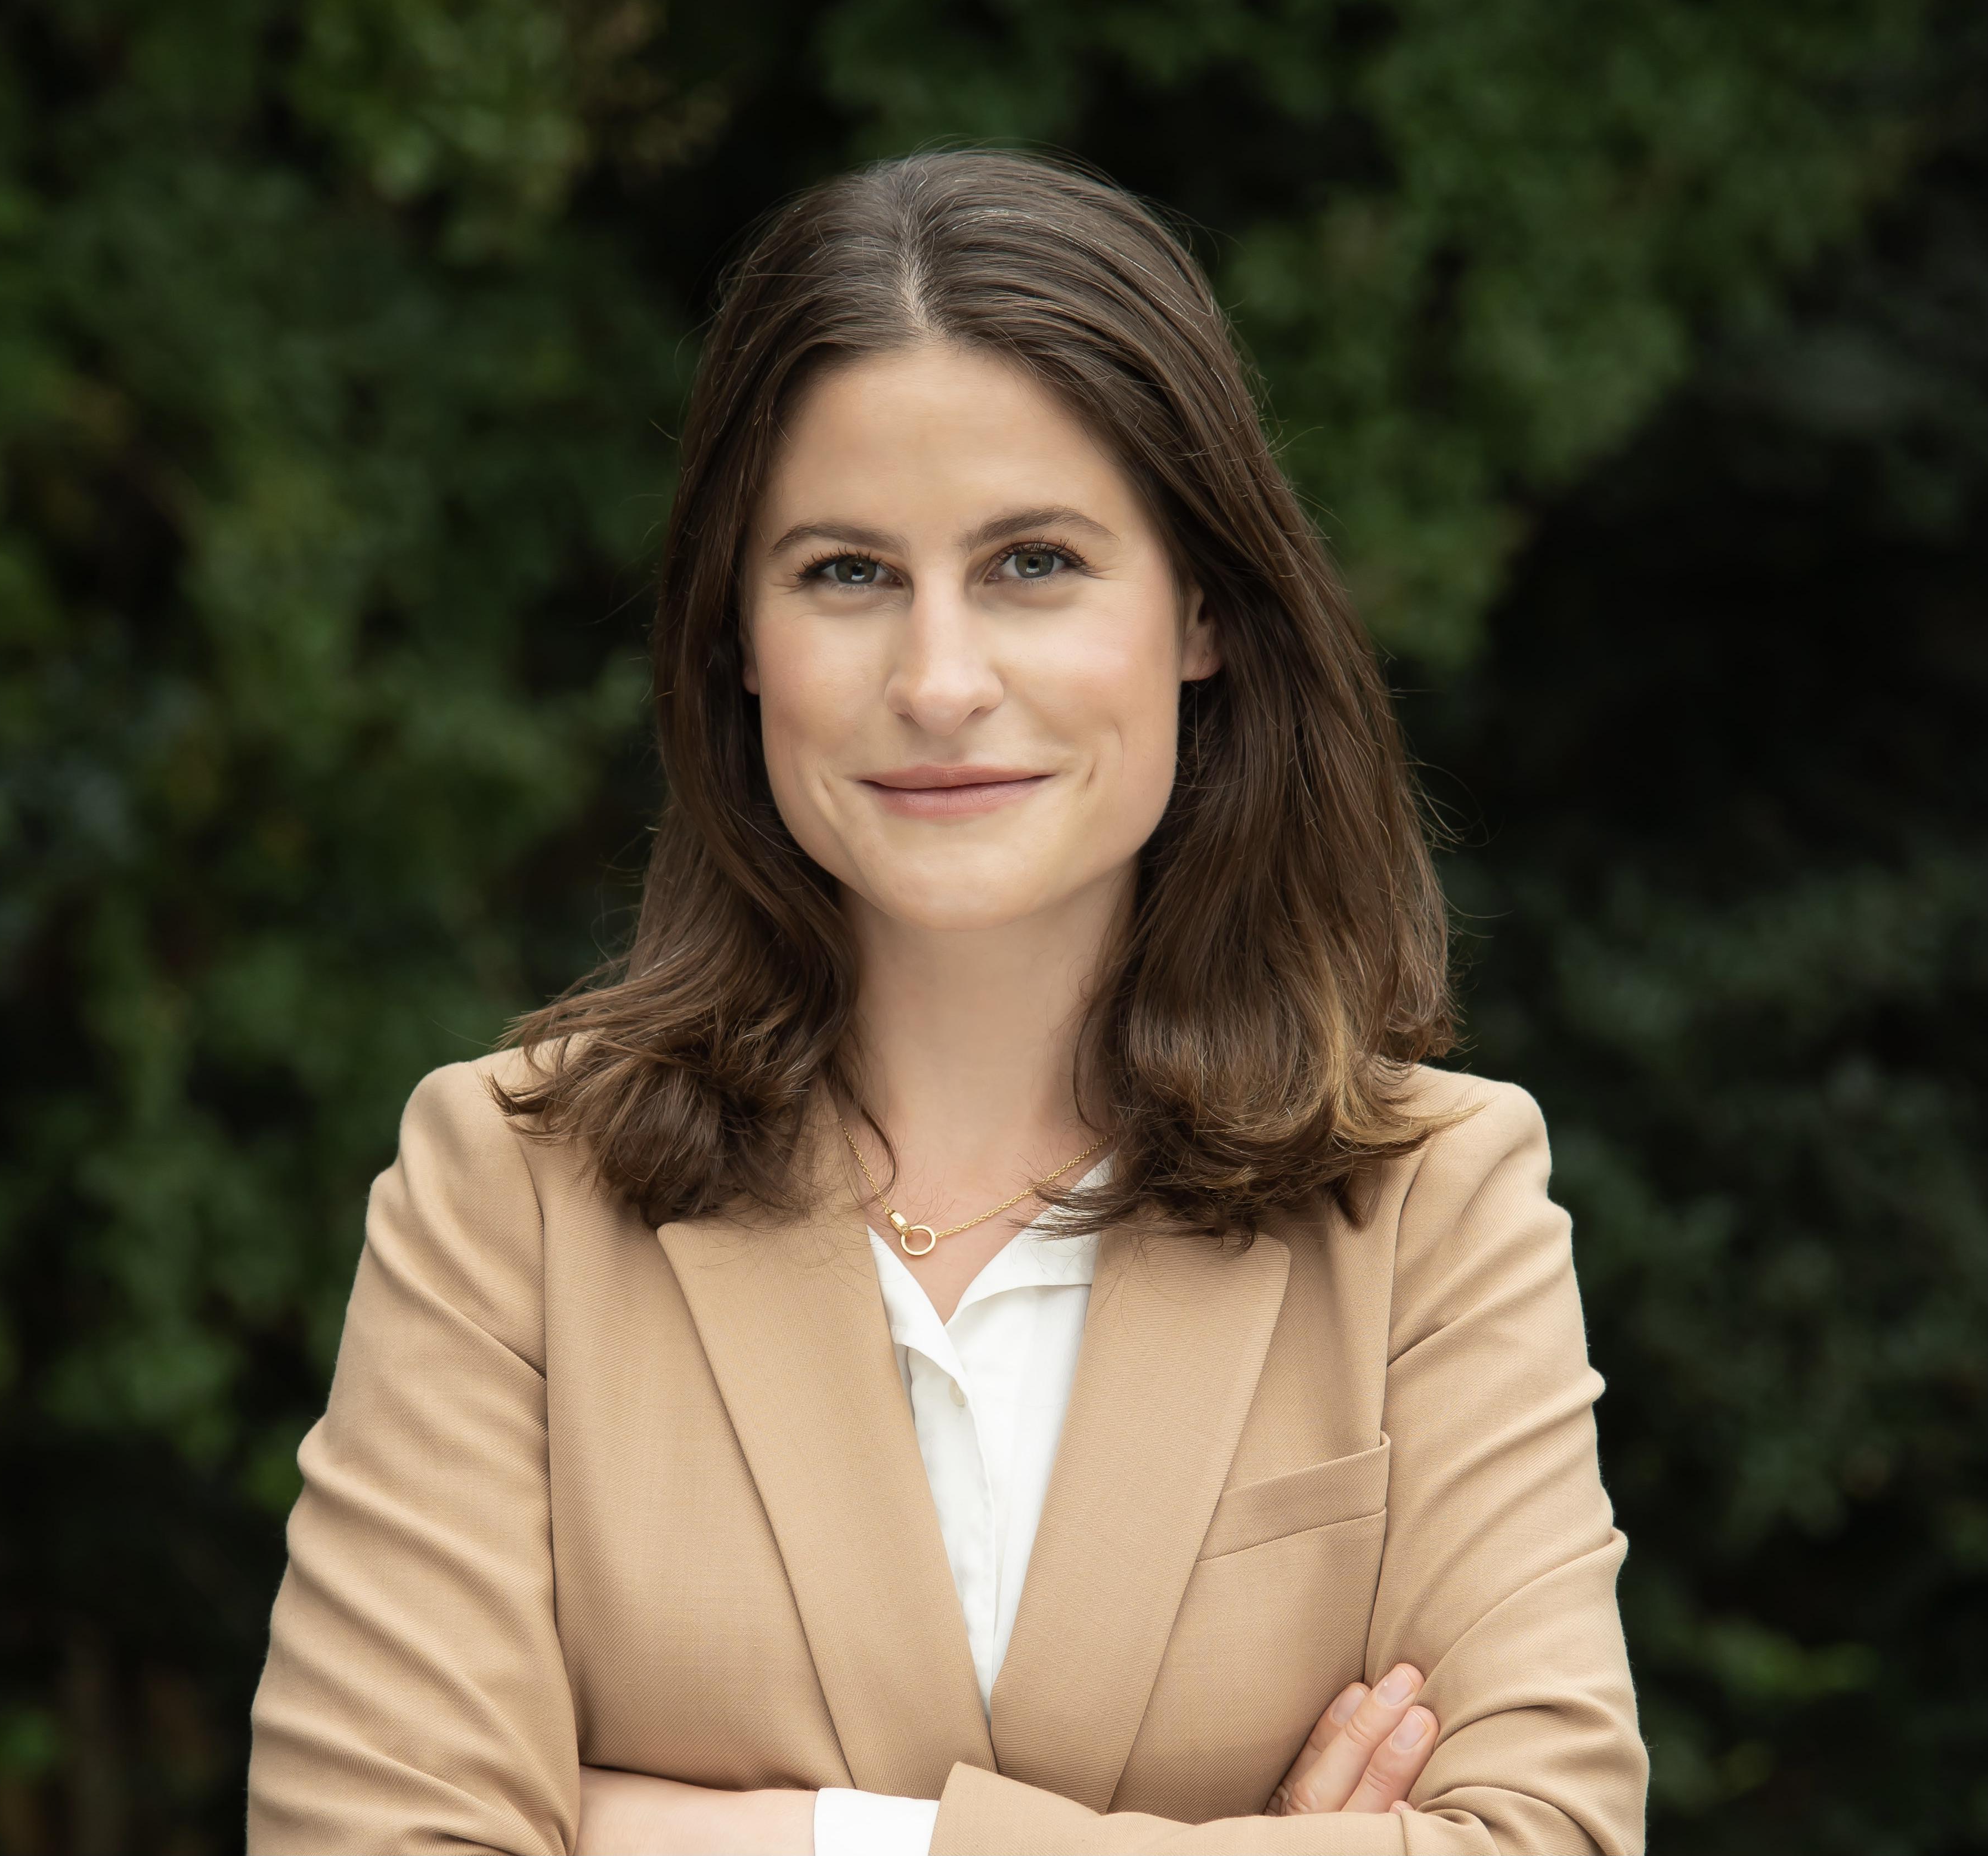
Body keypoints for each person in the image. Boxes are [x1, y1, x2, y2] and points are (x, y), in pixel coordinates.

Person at [246, 150, 1648, 1855]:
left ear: (1202, 609)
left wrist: (787, 1837)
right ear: (736, 636)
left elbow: (1546, 1841)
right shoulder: (508, 1190)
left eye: (1032, 562)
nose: (937, 681)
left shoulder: (1430, 1202)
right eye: (845, 572)